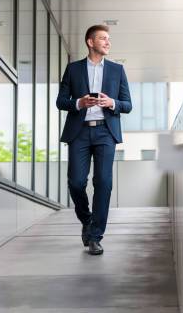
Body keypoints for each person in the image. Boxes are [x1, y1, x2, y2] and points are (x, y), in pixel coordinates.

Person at [56, 24, 132, 255]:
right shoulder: (73, 69)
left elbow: (127, 104)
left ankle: (95, 236)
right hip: (79, 132)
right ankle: (87, 219)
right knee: (76, 182)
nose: (108, 42)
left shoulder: (117, 70)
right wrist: (79, 102)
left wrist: (113, 103)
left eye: (109, 39)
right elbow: (61, 101)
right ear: (90, 42)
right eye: (103, 39)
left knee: (104, 183)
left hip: (105, 133)